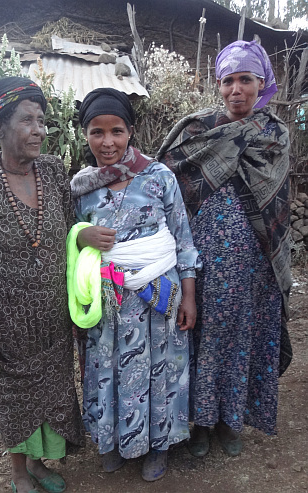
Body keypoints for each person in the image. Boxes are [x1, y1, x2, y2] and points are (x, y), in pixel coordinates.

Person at [156, 40, 292, 458]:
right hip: (201, 258)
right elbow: (164, 179)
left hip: (255, 259)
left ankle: (232, 422)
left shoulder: (274, 135)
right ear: (218, 85)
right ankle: (200, 423)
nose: (237, 89)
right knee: (200, 336)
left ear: (262, 83)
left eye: (246, 80)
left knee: (242, 337)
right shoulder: (196, 130)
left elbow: (279, 201)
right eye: (229, 80)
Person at [0, 77, 84, 493]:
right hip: (7, 318)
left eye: (42, 120)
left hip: (54, 311)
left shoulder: (51, 170)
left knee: (52, 390)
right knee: (13, 397)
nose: (39, 130)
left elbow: (70, 231)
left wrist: (80, 300)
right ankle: (17, 473)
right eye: (27, 120)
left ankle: (39, 463)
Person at [68, 88, 200, 482]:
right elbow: (68, 239)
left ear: (130, 132)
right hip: (107, 298)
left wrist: (189, 296)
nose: (107, 142)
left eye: (117, 131)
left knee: (160, 370)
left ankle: (158, 446)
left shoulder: (159, 177)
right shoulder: (81, 186)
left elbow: (183, 238)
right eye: (96, 132)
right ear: (85, 134)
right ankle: (112, 441)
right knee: (107, 367)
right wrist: (81, 236)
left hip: (158, 295)